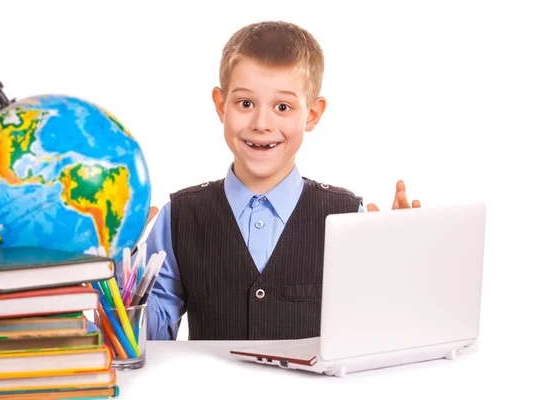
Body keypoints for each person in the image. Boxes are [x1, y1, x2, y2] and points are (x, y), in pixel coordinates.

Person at [118, 21, 420, 341]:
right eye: (245, 103)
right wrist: (117, 265)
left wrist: (399, 263)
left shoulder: (347, 216)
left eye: (282, 107)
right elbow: (147, 335)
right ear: (222, 106)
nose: (262, 123)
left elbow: (374, 329)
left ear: (312, 114)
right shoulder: (178, 218)